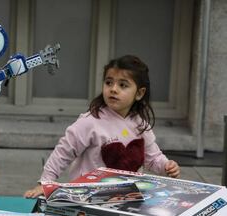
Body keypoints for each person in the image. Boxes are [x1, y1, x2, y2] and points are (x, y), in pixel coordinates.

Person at [24, 55, 180, 198]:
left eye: (123, 85)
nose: (113, 89)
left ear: (139, 93)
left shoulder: (140, 125)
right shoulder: (90, 121)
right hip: (87, 196)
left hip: (127, 197)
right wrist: (45, 183)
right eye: (108, 82)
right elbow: (63, 152)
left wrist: (166, 165)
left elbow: (153, 159)